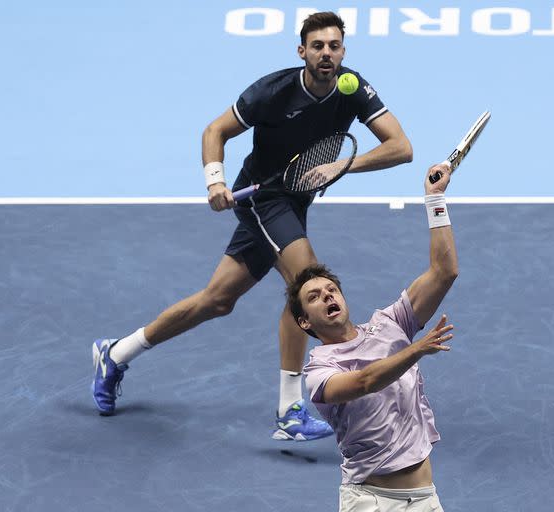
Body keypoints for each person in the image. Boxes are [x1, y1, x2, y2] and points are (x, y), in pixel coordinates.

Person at [90, 11, 413, 442]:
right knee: (307, 284)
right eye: (317, 46)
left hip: (294, 201)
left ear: (343, 52)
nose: (326, 54)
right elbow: (215, 130)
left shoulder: (353, 88)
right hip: (263, 197)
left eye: (334, 46)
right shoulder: (273, 91)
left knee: (217, 300)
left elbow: (401, 147)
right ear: (302, 52)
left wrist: (343, 166)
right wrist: (215, 181)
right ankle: (289, 408)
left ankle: (115, 353)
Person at [290, 161, 458, 510]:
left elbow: (444, 272)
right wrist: (416, 350)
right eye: (314, 297)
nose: (327, 296)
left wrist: (435, 200)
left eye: (331, 289)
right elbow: (364, 382)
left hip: (426, 499)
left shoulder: (391, 324)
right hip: (371, 502)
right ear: (305, 322)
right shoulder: (319, 374)